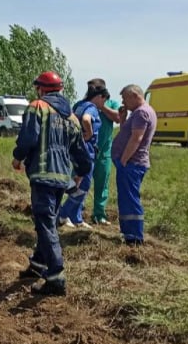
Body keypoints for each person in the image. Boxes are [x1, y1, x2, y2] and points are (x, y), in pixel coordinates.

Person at [12, 71, 92, 296]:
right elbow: (81, 152)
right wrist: (82, 172)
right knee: (48, 220)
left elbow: (28, 138)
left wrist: (18, 157)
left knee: (45, 224)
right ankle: (38, 265)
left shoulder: (37, 107)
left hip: (43, 175)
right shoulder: (72, 117)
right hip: (61, 179)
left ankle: (56, 277)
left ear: (41, 89)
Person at [111, 84, 157, 246]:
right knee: (126, 198)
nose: (123, 102)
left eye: (125, 98)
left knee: (130, 199)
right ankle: (128, 234)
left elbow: (136, 138)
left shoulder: (142, 113)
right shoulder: (139, 113)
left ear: (134, 96)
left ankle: (135, 237)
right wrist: (123, 120)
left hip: (132, 164)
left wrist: (124, 160)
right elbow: (128, 133)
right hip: (131, 164)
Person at [58, 80, 103, 228]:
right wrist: (88, 134)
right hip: (86, 150)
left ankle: (75, 217)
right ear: (100, 97)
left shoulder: (78, 105)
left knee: (77, 181)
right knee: (82, 185)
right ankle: (62, 215)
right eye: (103, 101)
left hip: (75, 148)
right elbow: (86, 120)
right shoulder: (92, 108)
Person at [87, 79, 121, 225]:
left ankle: (99, 214)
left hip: (104, 152)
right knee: (81, 182)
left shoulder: (112, 103)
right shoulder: (86, 104)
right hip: (86, 150)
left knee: (102, 184)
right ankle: (74, 211)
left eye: (95, 89)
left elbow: (118, 118)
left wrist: (102, 107)